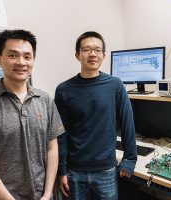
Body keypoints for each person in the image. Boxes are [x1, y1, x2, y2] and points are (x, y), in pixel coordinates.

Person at [0, 29, 65, 200]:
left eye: (27, 57)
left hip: (42, 195)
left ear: (33, 60)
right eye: (13, 55)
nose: (21, 62)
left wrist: (48, 194)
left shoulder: (45, 100)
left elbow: (52, 148)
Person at [55, 31, 137, 200]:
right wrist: (61, 171)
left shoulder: (115, 85)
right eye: (87, 49)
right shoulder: (64, 90)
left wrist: (130, 160)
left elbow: (127, 123)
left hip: (106, 171)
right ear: (77, 55)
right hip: (74, 172)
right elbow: (61, 135)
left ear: (104, 55)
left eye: (97, 50)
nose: (93, 54)